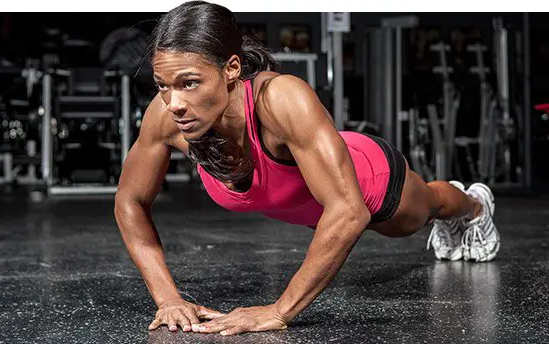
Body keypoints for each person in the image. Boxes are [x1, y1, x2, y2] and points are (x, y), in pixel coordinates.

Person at [114, 1, 500, 336]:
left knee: (419, 213)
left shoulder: (280, 98)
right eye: (162, 85)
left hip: (364, 180)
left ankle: (474, 206)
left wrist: (279, 311)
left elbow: (349, 210)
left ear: (231, 68)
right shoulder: (166, 117)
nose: (174, 102)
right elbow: (129, 200)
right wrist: (167, 300)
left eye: (190, 83)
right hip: (316, 207)